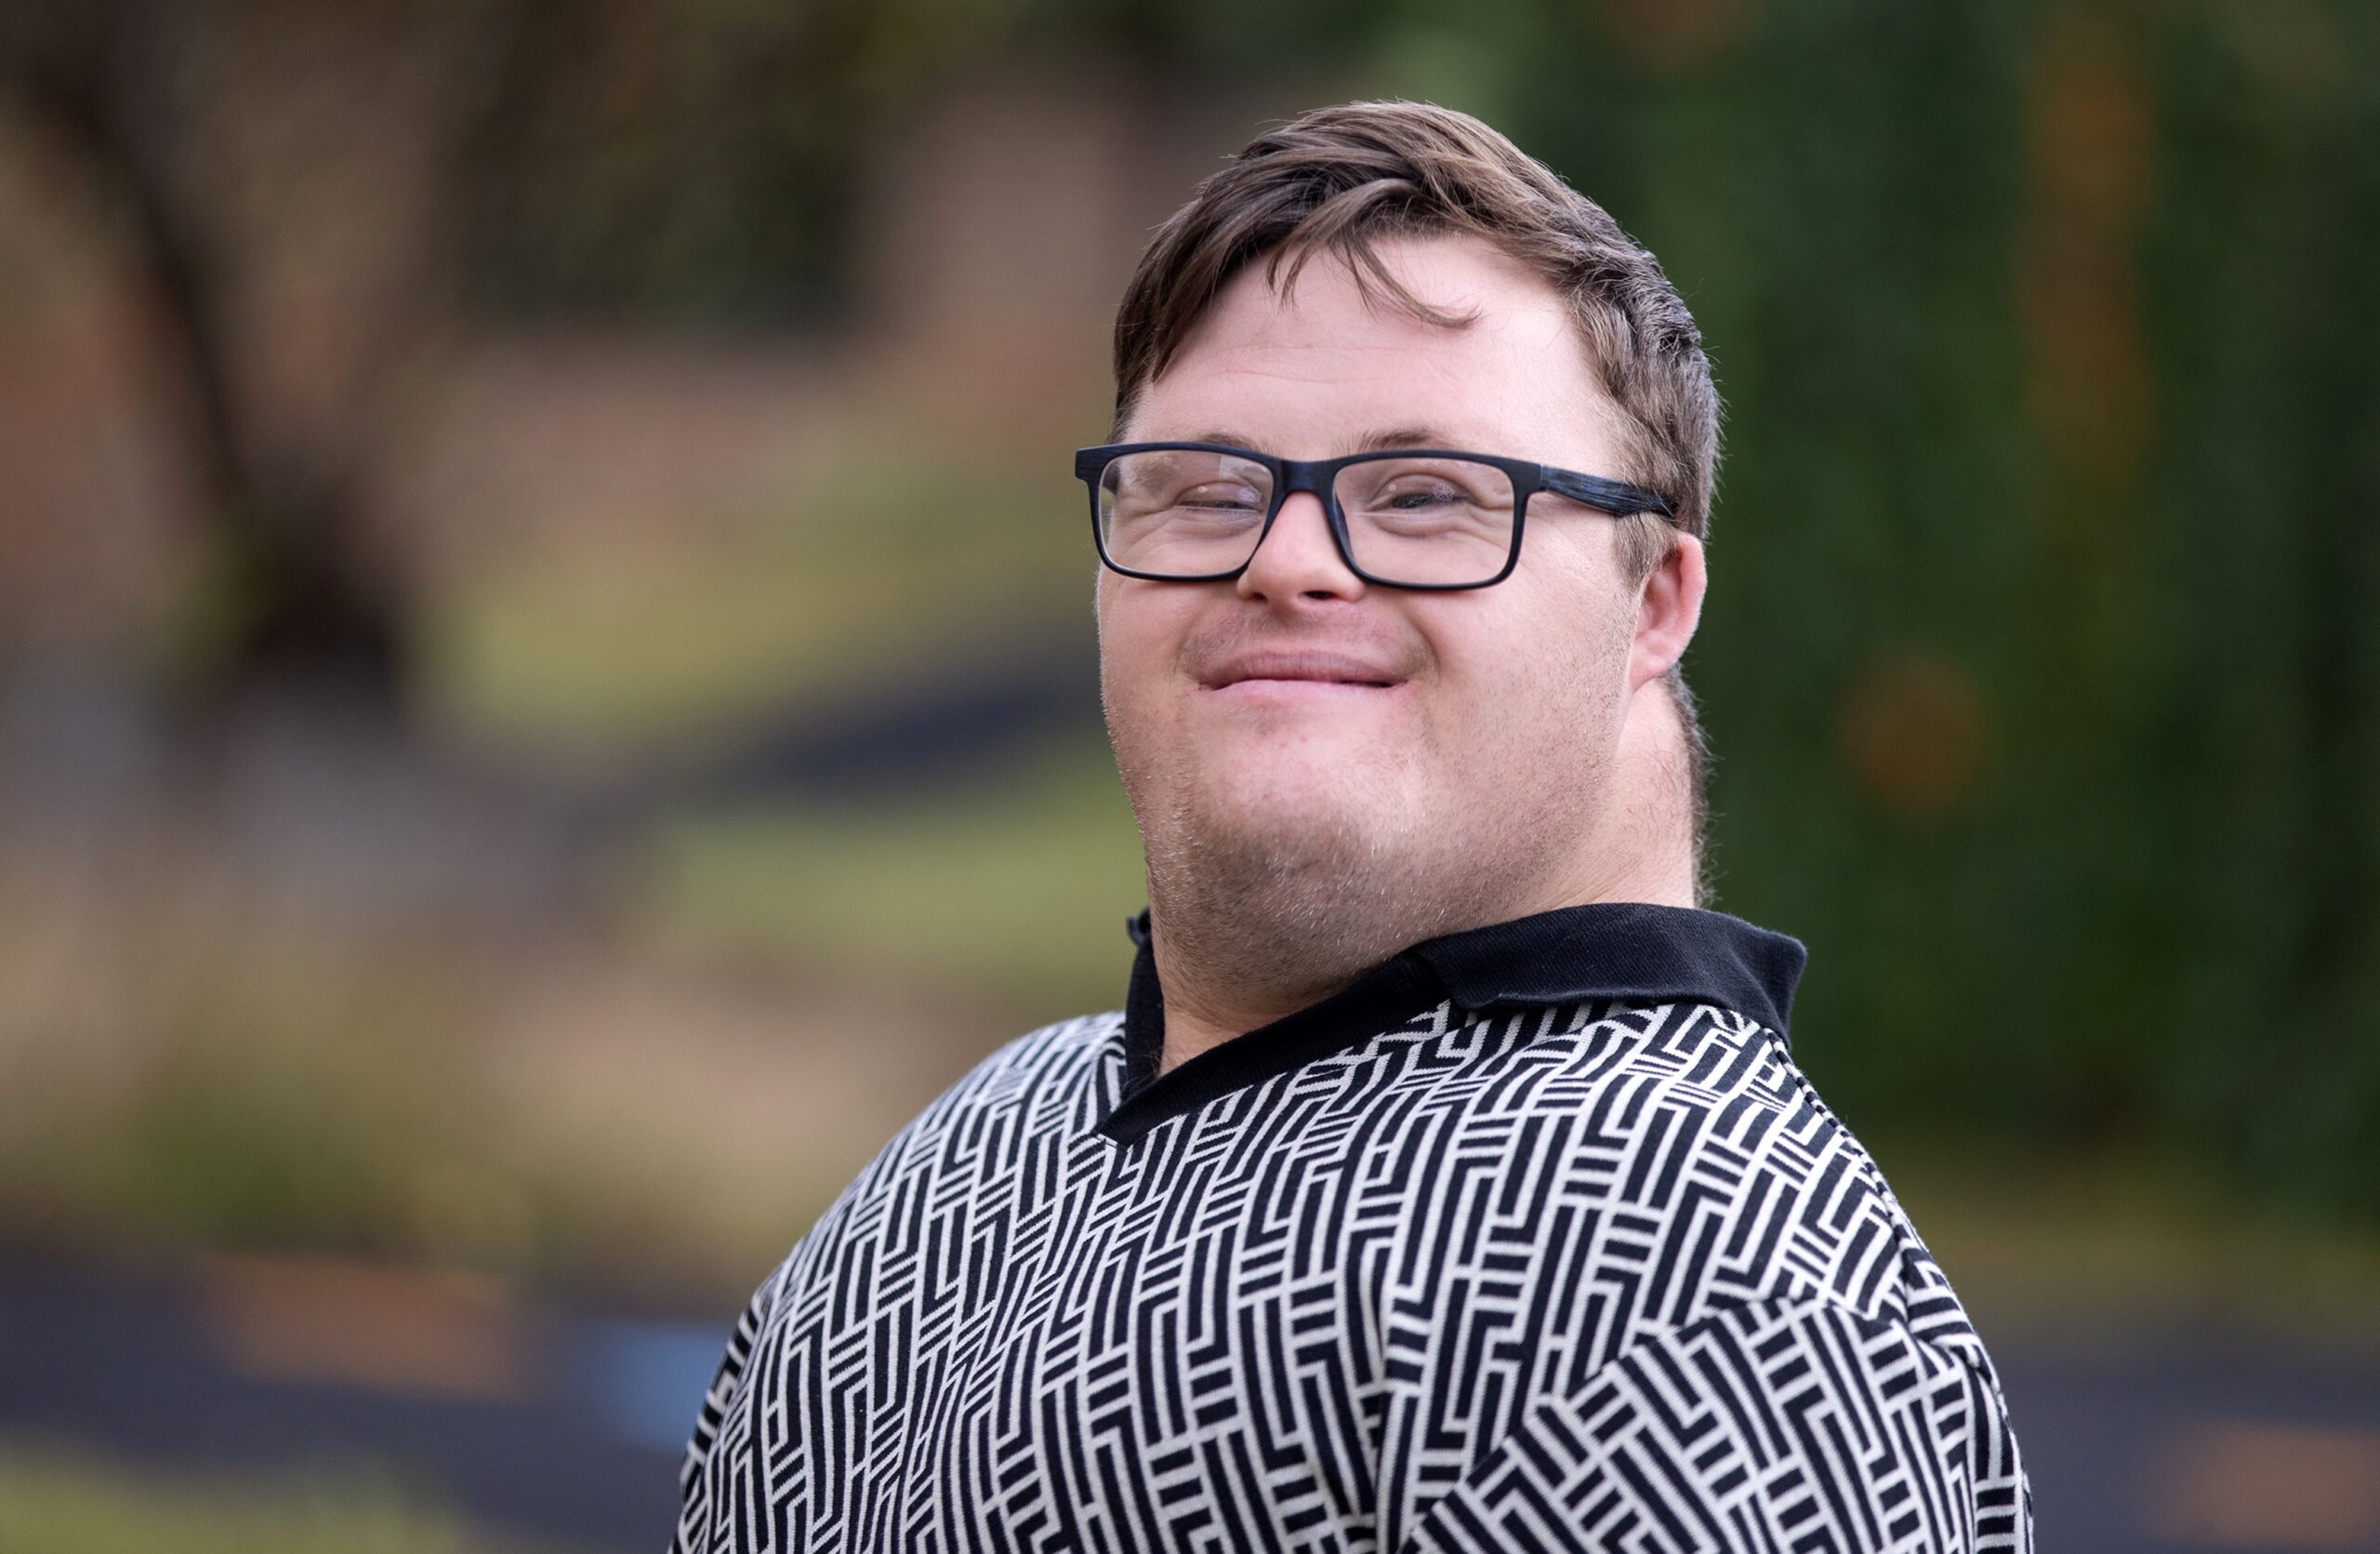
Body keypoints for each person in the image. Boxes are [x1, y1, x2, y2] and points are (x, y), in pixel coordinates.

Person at [669, 100, 2033, 1552]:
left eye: (1429, 496)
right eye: (1205, 489)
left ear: (1653, 602)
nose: (1286, 558)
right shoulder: (953, 1180)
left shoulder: (1689, 1276)